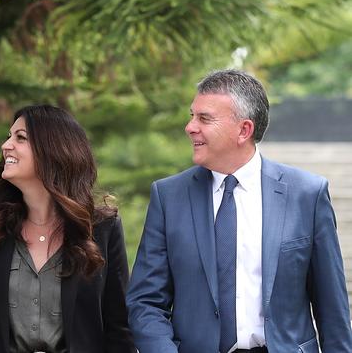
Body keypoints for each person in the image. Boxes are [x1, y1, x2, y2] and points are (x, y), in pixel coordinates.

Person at [127, 69, 352, 352]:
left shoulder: (307, 194)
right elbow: (145, 302)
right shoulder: (169, 196)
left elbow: (332, 309)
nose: (190, 127)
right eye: (191, 115)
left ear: (244, 130)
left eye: (204, 118)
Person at [0, 104, 135, 352]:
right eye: (9, 136)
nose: (6, 145)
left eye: (20, 137)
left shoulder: (102, 228)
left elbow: (118, 327)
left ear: (53, 150)